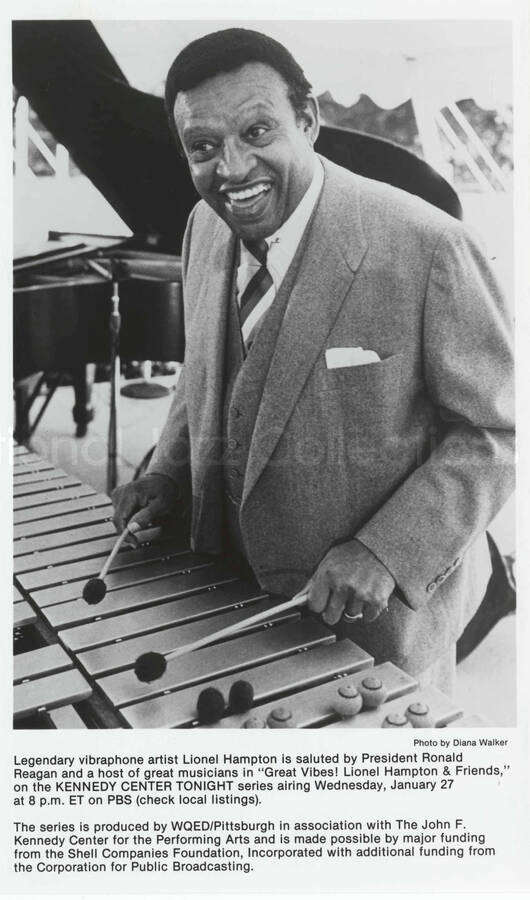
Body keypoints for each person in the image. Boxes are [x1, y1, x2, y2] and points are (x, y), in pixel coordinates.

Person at [111, 28, 514, 688]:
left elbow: (496, 436)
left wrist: (386, 550)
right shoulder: (202, 225)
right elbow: (201, 371)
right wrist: (167, 474)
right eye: (204, 147)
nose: (233, 169)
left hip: (373, 637)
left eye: (258, 131)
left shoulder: (431, 247)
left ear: (308, 120)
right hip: (227, 602)